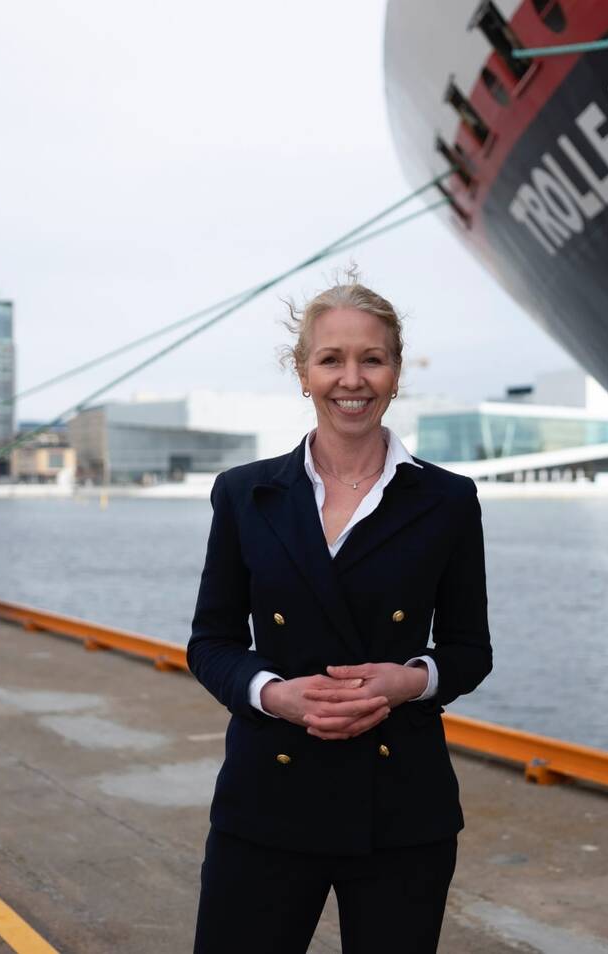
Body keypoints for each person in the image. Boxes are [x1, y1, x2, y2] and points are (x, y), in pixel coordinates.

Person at [186, 275, 493, 954]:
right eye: (331, 359)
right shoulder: (246, 494)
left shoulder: (447, 499)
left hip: (402, 808)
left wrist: (409, 681)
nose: (351, 379)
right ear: (303, 373)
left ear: (395, 371)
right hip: (267, 799)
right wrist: (275, 695)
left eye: (371, 359)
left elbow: (471, 648)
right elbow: (211, 642)